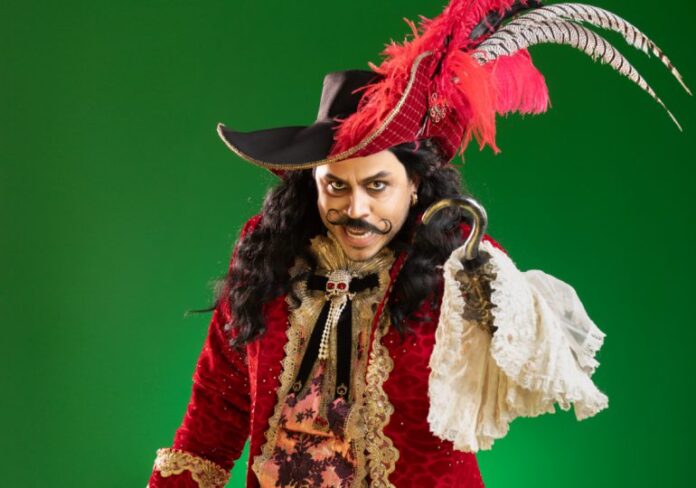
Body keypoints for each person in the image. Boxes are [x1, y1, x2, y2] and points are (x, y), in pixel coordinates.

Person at [147, 1, 688, 486]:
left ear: (414, 184)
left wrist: (494, 291)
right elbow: (215, 411)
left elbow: (538, 353)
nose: (356, 209)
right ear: (312, 183)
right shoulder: (268, 258)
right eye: (336, 186)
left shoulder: (458, 262)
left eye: (377, 186)